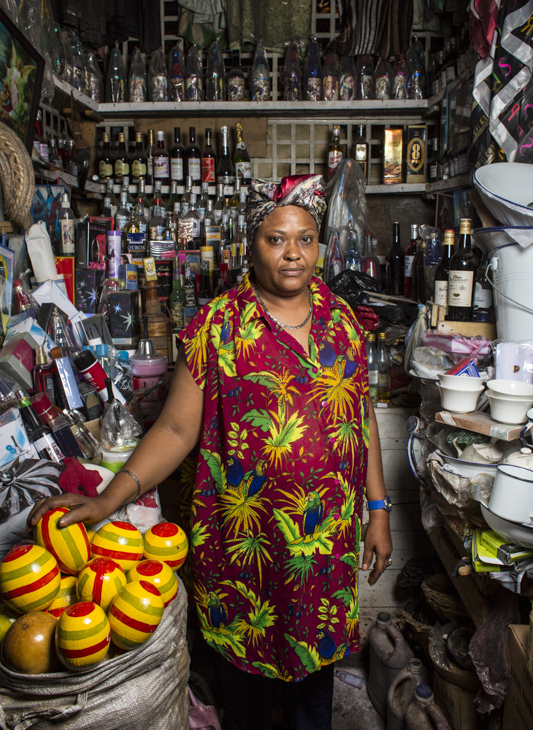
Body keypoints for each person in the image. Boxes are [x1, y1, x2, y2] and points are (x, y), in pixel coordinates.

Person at [28, 173, 392, 730]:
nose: (293, 254)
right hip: (244, 548)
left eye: (305, 239)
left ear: (320, 245)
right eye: (276, 239)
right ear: (251, 243)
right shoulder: (216, 327)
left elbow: (360, 418)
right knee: (243, 694)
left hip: (324, 547)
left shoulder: (344, 321)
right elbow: (174, 431)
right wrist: (108, 500)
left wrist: (378, 510)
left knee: (313, 700)